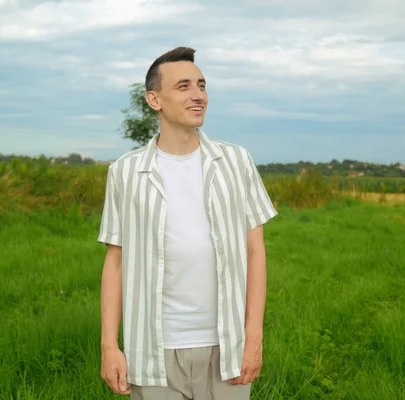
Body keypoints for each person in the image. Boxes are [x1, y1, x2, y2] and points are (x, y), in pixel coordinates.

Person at [97, 46, 277, 400]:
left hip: (227, 346)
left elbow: (256, 252)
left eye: (202, 85)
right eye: (183, 86)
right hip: (151, 350)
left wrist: (253, 337)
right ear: (154, 99)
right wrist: (109, 345)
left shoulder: (237, 162)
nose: (198, 95)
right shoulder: (125, 172)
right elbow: (115, 262)